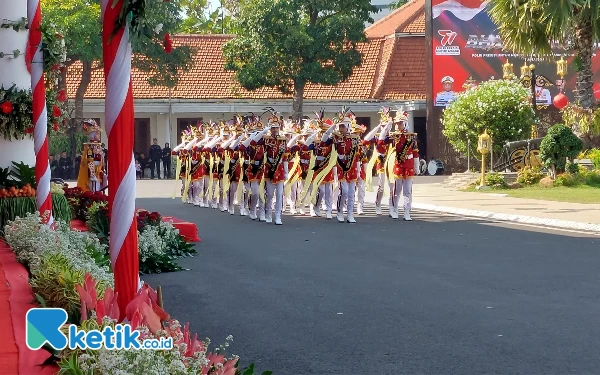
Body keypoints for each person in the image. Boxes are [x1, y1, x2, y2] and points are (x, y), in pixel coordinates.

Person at [375, 110, 420, 220]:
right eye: (397, 123)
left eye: (400, 123)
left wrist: (416, 166)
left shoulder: (411, 137)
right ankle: (394, 209)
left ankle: (407, 211)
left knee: (408, 191)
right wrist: (386, 129)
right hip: (398, 165)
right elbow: (380, 145)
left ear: (405, 123)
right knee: (396, 190)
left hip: (409, 166)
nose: (398, 125)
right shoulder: (394, 137)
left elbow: (415, 153)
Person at [332, 110, 361, 223]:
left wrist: (358, 170)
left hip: (352, 166)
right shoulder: (336, 138)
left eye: (343, 126)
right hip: (341, 165)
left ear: (348, 127)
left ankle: (350, 213)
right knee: (343, 191)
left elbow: (357, 155)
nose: (341, 128)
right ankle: (340, 211)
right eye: (340, 126)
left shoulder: (354, 139)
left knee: (351, 192)